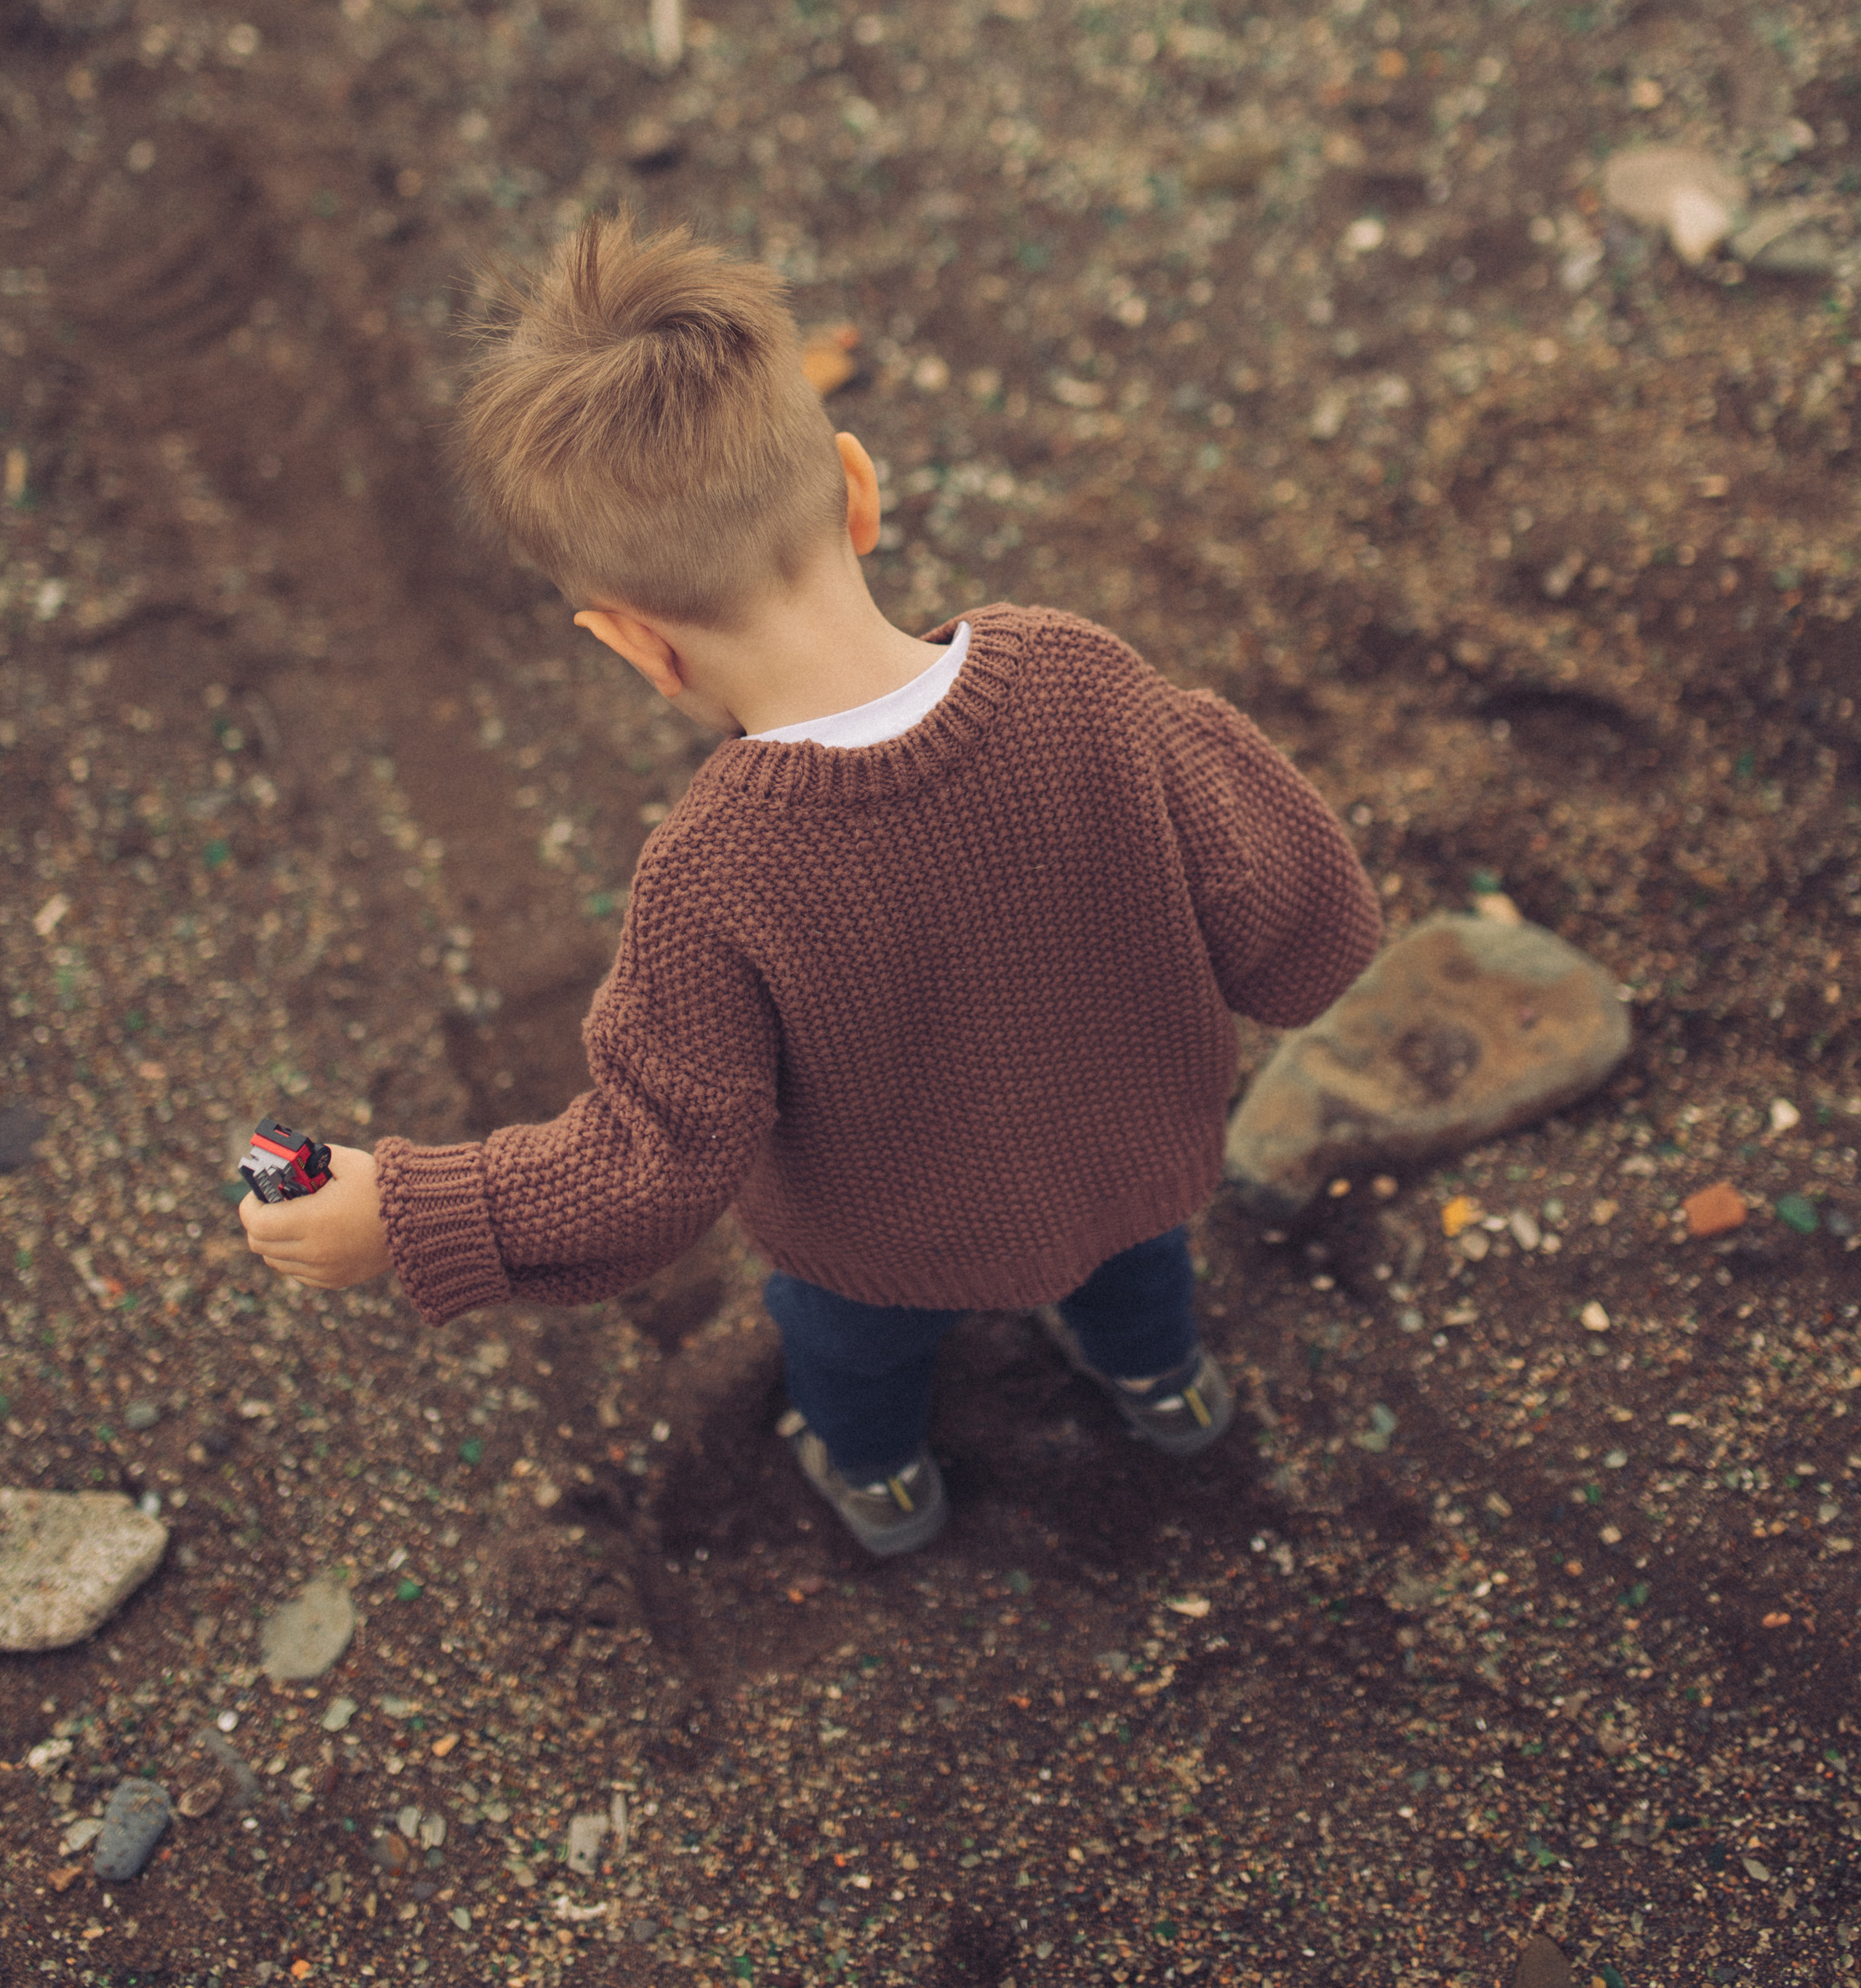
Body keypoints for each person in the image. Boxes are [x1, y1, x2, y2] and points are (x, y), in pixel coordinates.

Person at [241, 213, 1380, 1556]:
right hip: (1138, 1160)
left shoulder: (712, 877)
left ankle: (883, 1480)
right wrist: (1292, 972)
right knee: (1143, 1272)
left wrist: (415, 1212)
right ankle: (1165, 1388)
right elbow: (1281, 885)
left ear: (633, 648)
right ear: (856, 487)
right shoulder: (1082, 674)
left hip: (883, 1246)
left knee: (847, 1353)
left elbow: (655, 1160)